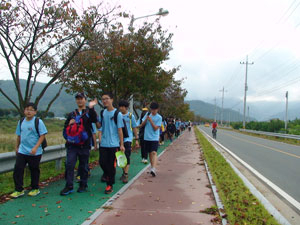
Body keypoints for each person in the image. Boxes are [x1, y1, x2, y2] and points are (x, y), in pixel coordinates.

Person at [60, 93, 99, 195]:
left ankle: (83, 184)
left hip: (84, 144)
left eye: (81, 98)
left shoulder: (89, 112)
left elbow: (95, 120)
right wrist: (69, 132)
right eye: (77, 99)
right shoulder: (72, 114)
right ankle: (69, 186)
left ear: (85, 100)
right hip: (72, 145)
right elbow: (65, 129)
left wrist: (91, 107)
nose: (79, 101)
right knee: (69, 165)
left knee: (83, 166)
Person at [10, 102, 48, 198]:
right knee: (18, 169)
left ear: (35, 112)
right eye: (27, 109)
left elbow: (42, 135)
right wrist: (17, 147)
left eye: (31, 110)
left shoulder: (38, 122)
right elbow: (19, 135)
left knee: (34, 170)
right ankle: (19, 189)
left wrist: (35, 147)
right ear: (24, 111)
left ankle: (35, 188)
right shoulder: (21, 121)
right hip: (22, 150)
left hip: (35, 151)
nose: (29, 111)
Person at [99, 93, 125, 194]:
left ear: (112, 100)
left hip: (114, 144)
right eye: (103, 99)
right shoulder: (102, 113)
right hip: (104, 144)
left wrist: (121, 144)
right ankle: (109, 176)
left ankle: (109, 185)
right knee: (102, 162)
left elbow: (120, 130)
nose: (105, 101)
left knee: (110, 165)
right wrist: (100, 138)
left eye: (107, 99)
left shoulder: (117, 114)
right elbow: (101, 127)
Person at [118, 100, 139, 183]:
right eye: (120, 106)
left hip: (127, 139)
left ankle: (126, 174)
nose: (121, 108)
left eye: (123, 106)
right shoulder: (118, 115)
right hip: (119, 139)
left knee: (127, 155)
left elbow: (134, 127)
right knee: (121, 157)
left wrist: (136, 139)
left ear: (126, 107)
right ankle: (124, 172)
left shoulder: (130, 116)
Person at [139, 102, 162, 177]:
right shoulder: (147, 114)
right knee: (150, 153)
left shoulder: (159, 117)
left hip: (154, 137)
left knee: (154, 152)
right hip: (146, 137)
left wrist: (151, 121)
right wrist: (146, 119)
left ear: (157, 109)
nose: (153, 111)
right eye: (152, 109)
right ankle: (152, 167)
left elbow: (156, 128)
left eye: (154, 110)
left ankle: (154, 169)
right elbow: (142, 124)